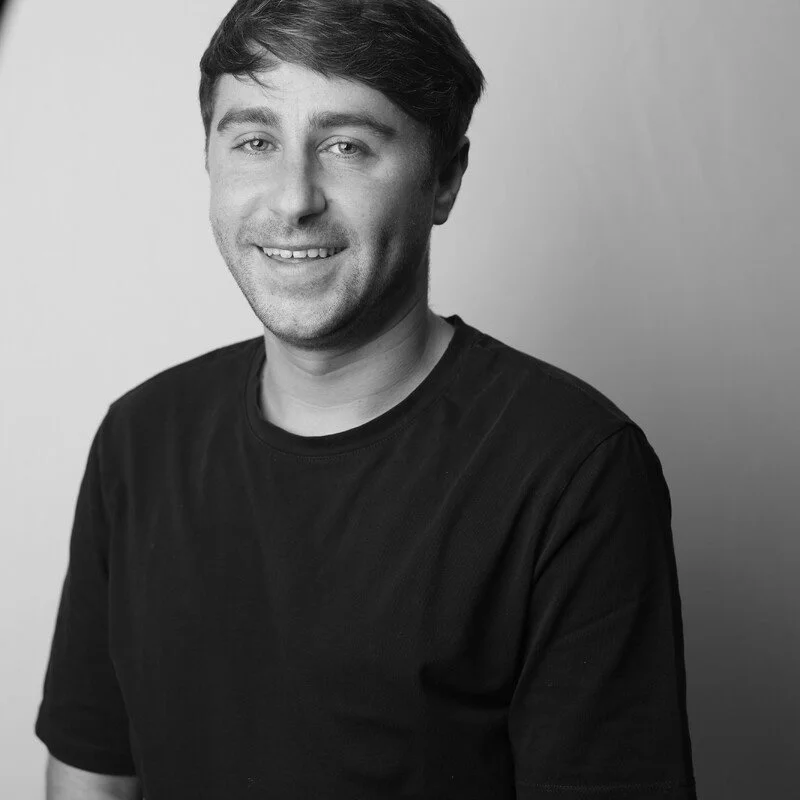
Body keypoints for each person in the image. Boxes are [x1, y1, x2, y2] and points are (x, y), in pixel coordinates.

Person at [34, 1, 698, 798]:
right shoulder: (140, 439)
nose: (293, 198)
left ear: (444, 176)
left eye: (346, 145)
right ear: (209, 160)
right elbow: (91, 779)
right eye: (254, 141)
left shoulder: (572, 473)